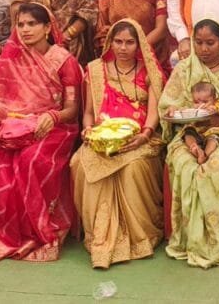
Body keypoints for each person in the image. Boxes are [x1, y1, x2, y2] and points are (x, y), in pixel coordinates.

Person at [0, 3, 82, 264]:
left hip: (53, 128)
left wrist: (52, 116)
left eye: (32, 24)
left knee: (29, 160)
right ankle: (1, 230)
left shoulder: (63, 60)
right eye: (21, 24)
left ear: (47, 28)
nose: (25, 29)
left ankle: (34, 230)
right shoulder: (12, 58)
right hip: (12, 127)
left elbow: (72, 109)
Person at [71, 18, 165, 269]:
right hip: (101, 138)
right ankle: (98, 236)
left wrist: (144, 135)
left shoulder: (150, 72)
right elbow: (88, 112)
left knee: (132, 168)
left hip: (139, 139)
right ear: (110, 42)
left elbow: (153, 114)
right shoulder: (95, 70)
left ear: (139, 44)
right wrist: (87, 130)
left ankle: (138, 235)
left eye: (130, 42)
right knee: (81, 163)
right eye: (118, 42)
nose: (123, 48)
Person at [159, 19, 219, 269]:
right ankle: (189, 239)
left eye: (210, 43)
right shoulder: (184, 68)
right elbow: (168, 105)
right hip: (188, 131)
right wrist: (174, 112)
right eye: (198, 43)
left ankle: (217, 240)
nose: (204, 49)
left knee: (217, 167)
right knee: (185, 165)